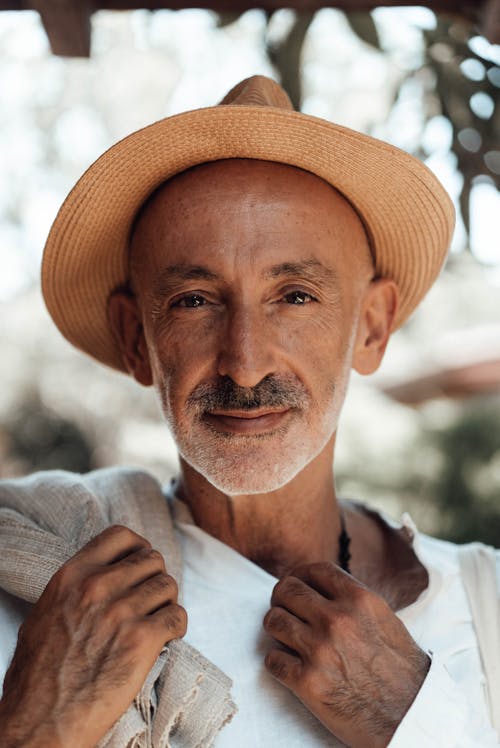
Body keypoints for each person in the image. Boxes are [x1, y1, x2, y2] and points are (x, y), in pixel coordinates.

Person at [0, 75, 498, 748]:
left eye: (294, 296)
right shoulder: (40, 585)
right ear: (133, 339)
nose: (245, 363)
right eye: (194, 300)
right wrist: (35, 728)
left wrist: (414, 721)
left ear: (372, 328)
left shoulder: (485, 605)